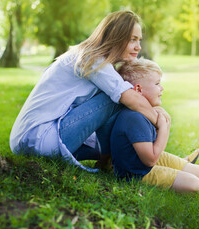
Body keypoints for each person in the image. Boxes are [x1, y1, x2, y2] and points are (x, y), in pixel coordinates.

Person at [9, 10, 159, 172]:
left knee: (121, 142)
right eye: (132, 40)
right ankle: (112, 162)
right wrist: (160, 122)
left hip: (32, 139)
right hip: (38, 138)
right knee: (117, 98)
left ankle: (172, 163)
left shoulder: (90, 56)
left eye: (139, 40)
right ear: (116, 37)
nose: (138, 47)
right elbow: (131, 98)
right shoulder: (92, 58)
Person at [111, 59, 199, 193]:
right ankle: (178, 169)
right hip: (137, 172)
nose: (162, 88)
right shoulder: (133, 118)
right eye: (157, 83)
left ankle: (179, 166)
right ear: (139, 90)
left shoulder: (145, 112)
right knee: (197, 186)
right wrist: (164, 127)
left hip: (145, 161)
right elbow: (151, 160)